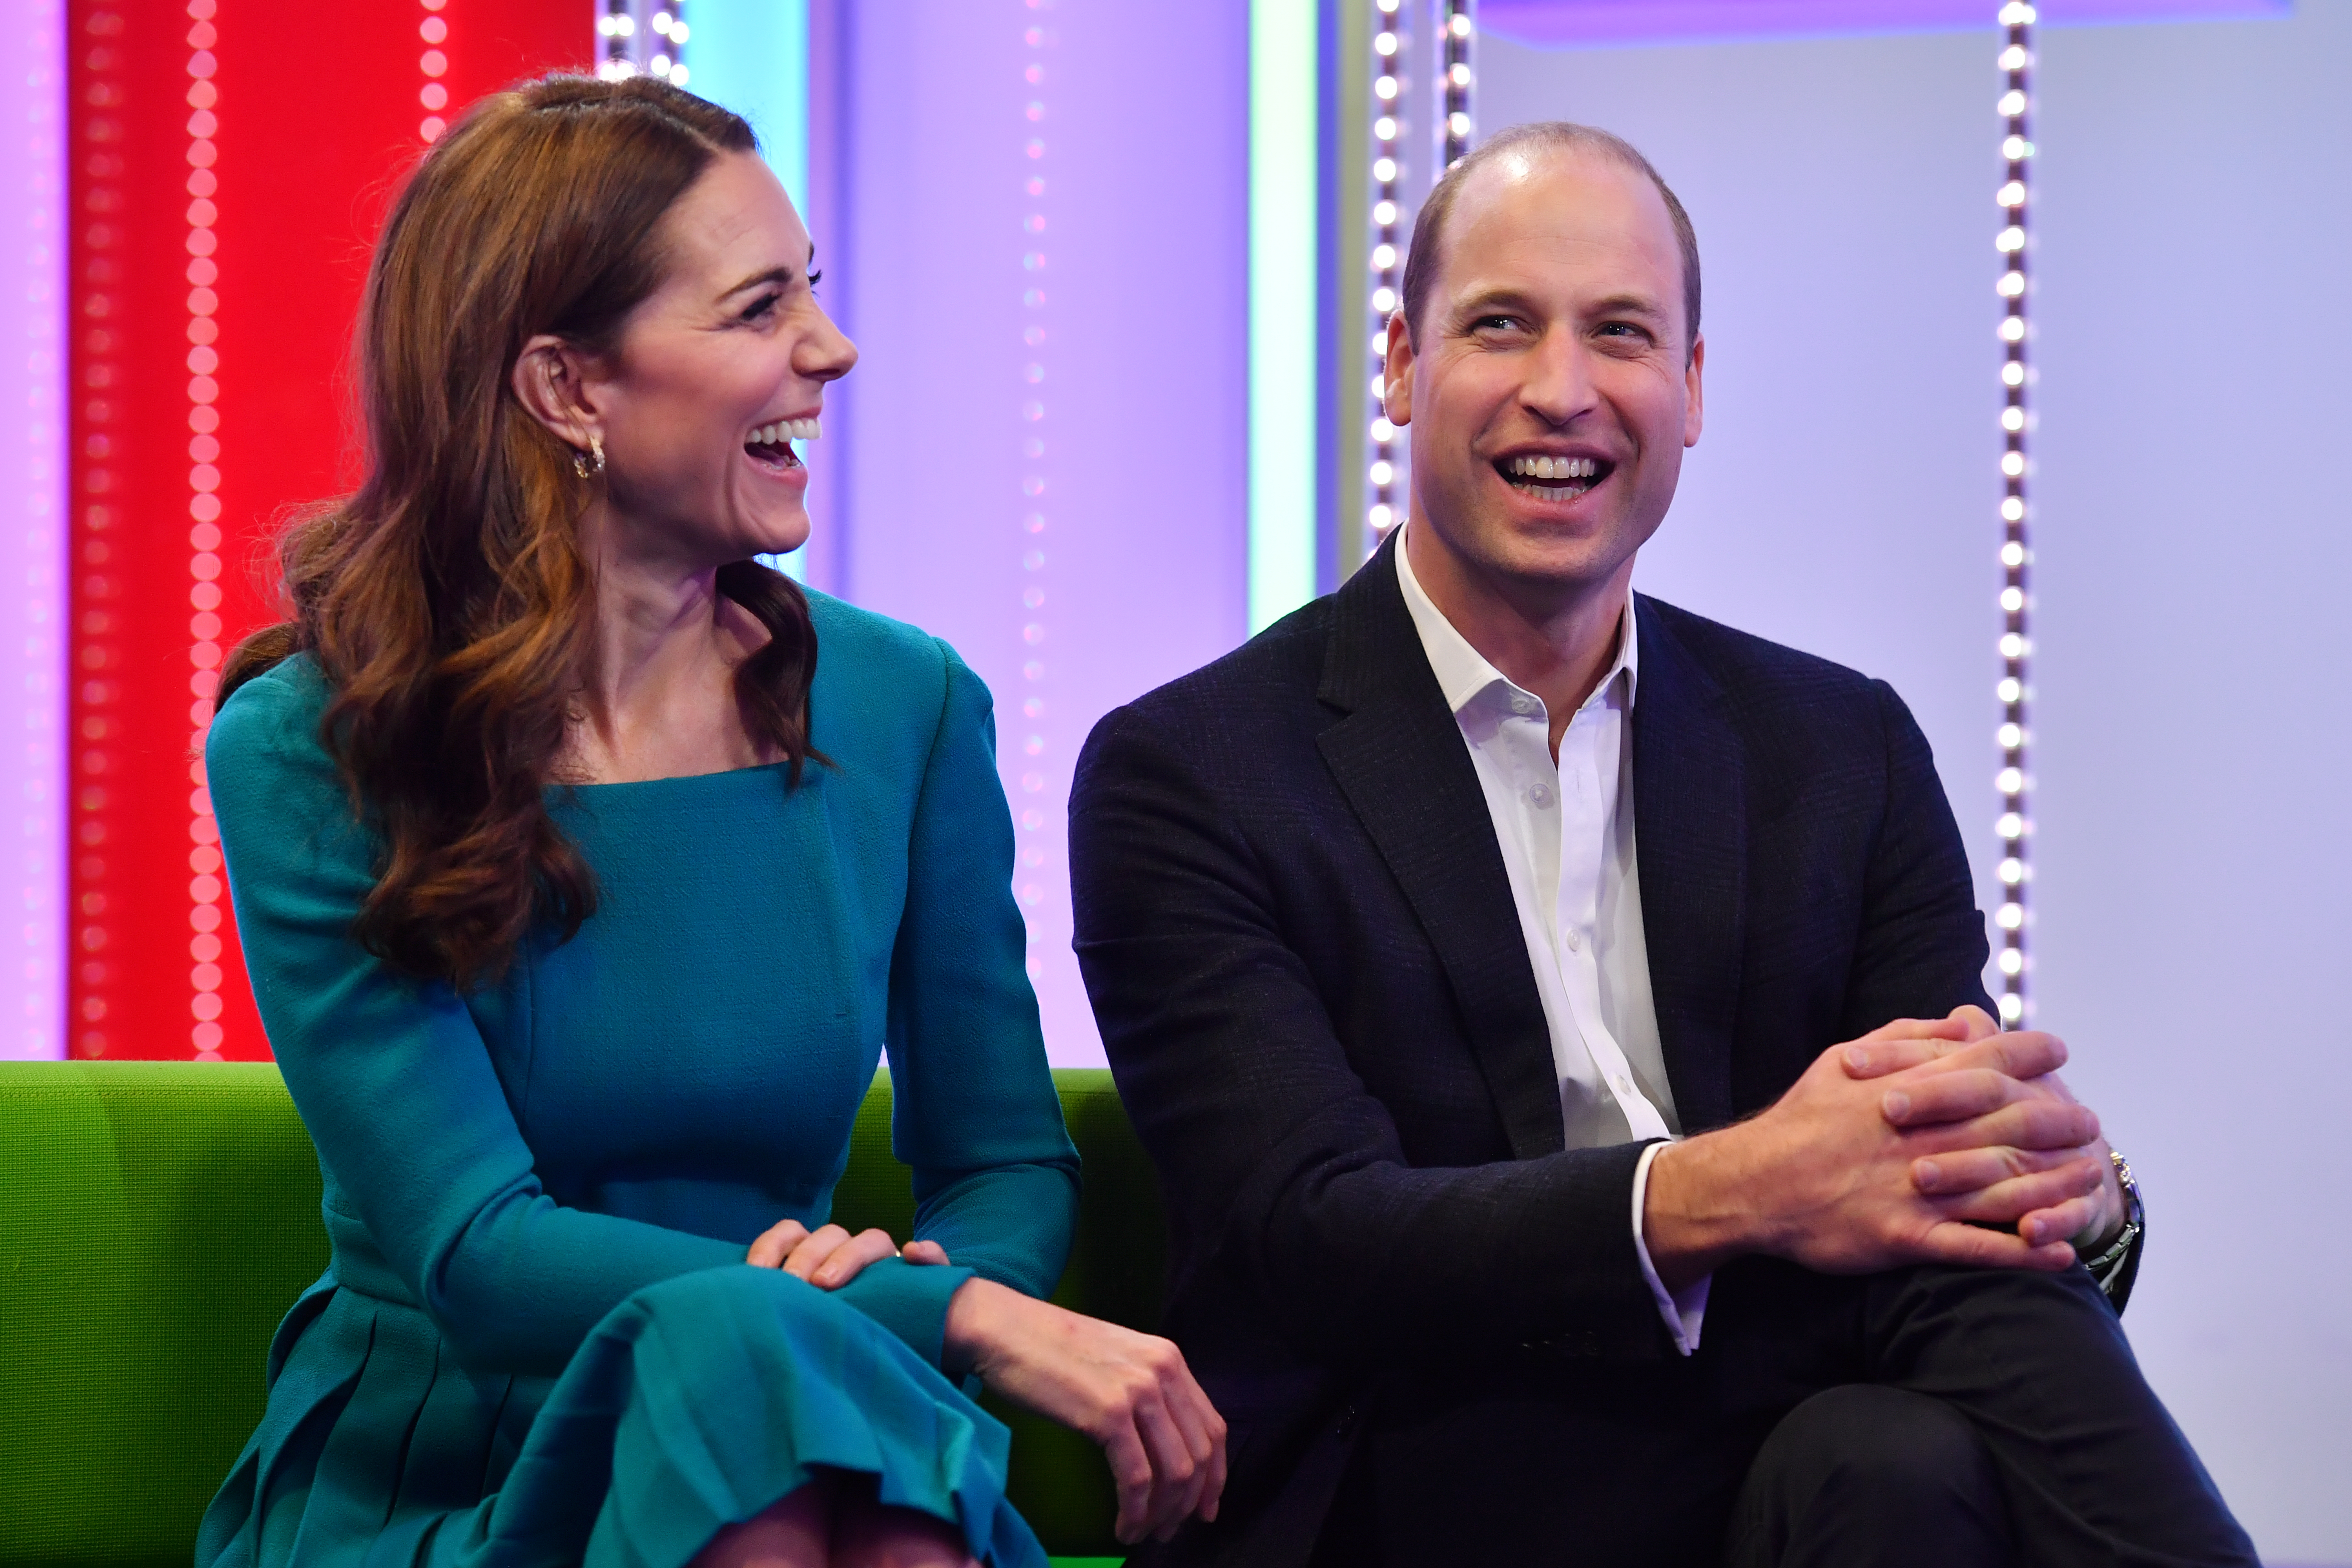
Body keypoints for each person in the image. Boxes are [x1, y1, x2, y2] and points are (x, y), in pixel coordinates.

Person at [1067, 122, 2251, 1566]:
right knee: (1884, 1428)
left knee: (1892, 1443)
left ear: (1689, 391)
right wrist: (1745, 1186)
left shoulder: (1841, 748)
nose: (1562, 392)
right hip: (1413, 1456)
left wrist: (2074, 1202)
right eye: (1501, 325)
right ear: (1401, 367)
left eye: (1621, 335)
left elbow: (1925, 1214)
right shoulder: (1190, 770)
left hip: (1767, 1425)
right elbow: (1318, 1245)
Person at [195, 76, 1225, 1568]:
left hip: (820, 1430)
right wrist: (949, 1313)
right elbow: (481, 1258)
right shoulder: (314, 749)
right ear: (568, 390)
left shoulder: (905, 705)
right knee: (755, 1392)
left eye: (812, 291)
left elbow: (1002, 1162)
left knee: (793, 1431)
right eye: (757, 311)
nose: (831, 348)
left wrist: (912, 1308)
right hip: (460, 1472)